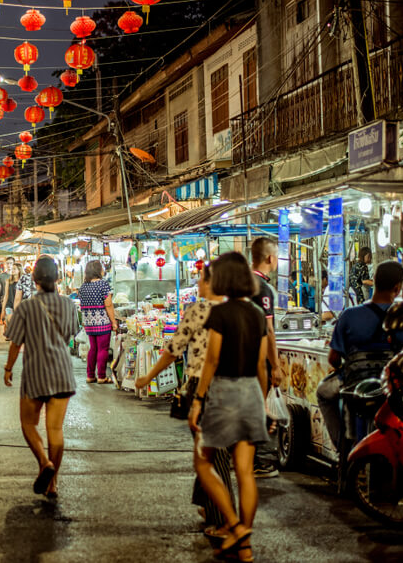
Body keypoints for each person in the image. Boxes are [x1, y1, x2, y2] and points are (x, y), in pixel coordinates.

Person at [136, 263, 232, 532]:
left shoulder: (199, 311)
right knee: (214, 452)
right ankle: (208, 505)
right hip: (235, 387)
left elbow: (173, 350)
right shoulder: (237, 310)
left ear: (212, 283)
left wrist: (148, 376)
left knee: (212, 456)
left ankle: (224, 519)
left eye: (201, 279)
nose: (198, 283)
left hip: (205, 386)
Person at [188, 252, 269, 562]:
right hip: (250, 390)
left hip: (223, 392)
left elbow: (212, 359)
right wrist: (262, 401)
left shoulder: (219, 314)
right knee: (245, 472)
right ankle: (244, 545)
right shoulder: (257, 315)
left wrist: (198, 399)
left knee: (203, 462)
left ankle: (235, 525)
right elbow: (261, 364)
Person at [2, 256, 80, 499]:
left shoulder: (26, 307)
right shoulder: (68, 304)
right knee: (55, 430)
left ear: (34, 280)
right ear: (57, 279)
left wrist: (8, 368)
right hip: (62, 373)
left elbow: (15, 342)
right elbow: (71, 334)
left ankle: (45, 463)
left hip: (35, 372)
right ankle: (53, 483)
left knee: (28, 424)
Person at [318, 261, 403, 455]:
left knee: (323, 392)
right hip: (391, 385)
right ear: (398, 288)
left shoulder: (349, 315)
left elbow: (333, 359)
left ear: (373, 281)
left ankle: (341, 443)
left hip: (353, 384)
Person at [248, 237, 283, 479]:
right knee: (258, 407)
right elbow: (269, 330)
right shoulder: (263, 289)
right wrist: (277, 366)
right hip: (255, 359)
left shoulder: (239, 283)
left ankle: (240, 456)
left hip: (236, 358)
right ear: (270, 258)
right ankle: (258, 461)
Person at [78, 260, 118, 384]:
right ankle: (101, 376)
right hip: (102, 320)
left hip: (89, 321)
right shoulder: (103, 284)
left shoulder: (83, 286)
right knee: (103, 349)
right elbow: (109, 304)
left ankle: (90, 376)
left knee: (93, 348)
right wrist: (113, 321)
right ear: (98, 270)